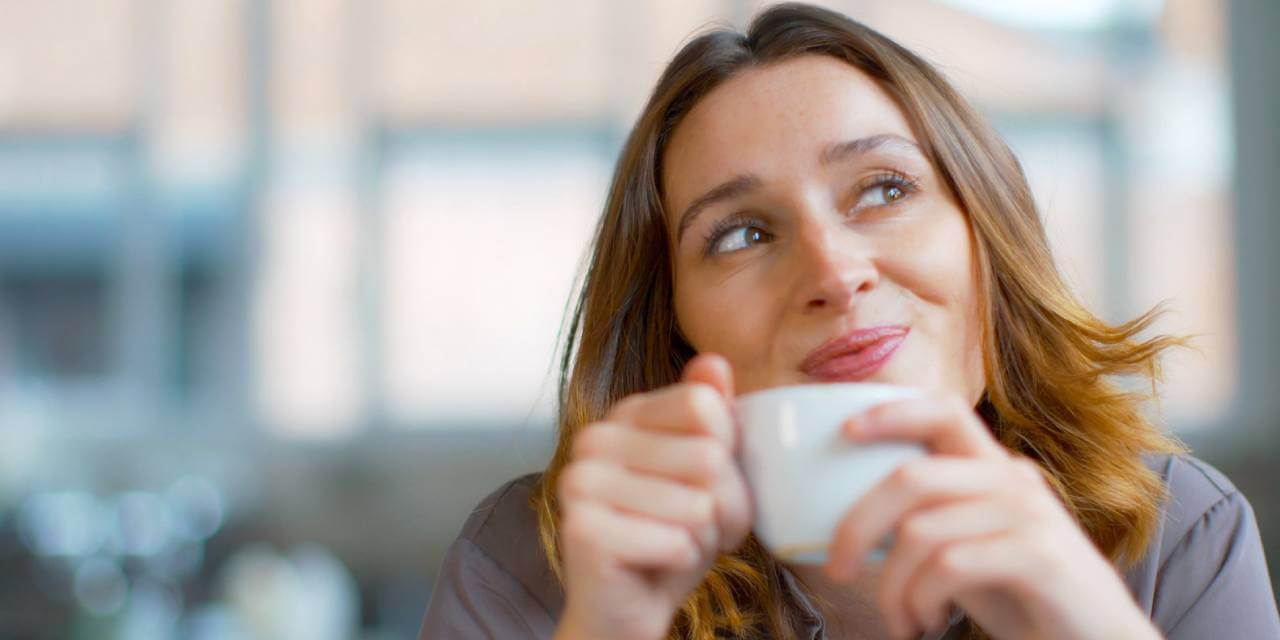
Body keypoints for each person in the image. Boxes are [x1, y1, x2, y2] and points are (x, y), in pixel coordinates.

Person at [419, 3, 1280, 639]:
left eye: (884, 189)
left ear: (985, 240)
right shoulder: (535, 570)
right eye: (743, 234)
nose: (833, 272)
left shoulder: (1175, 538)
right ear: (676, 325)